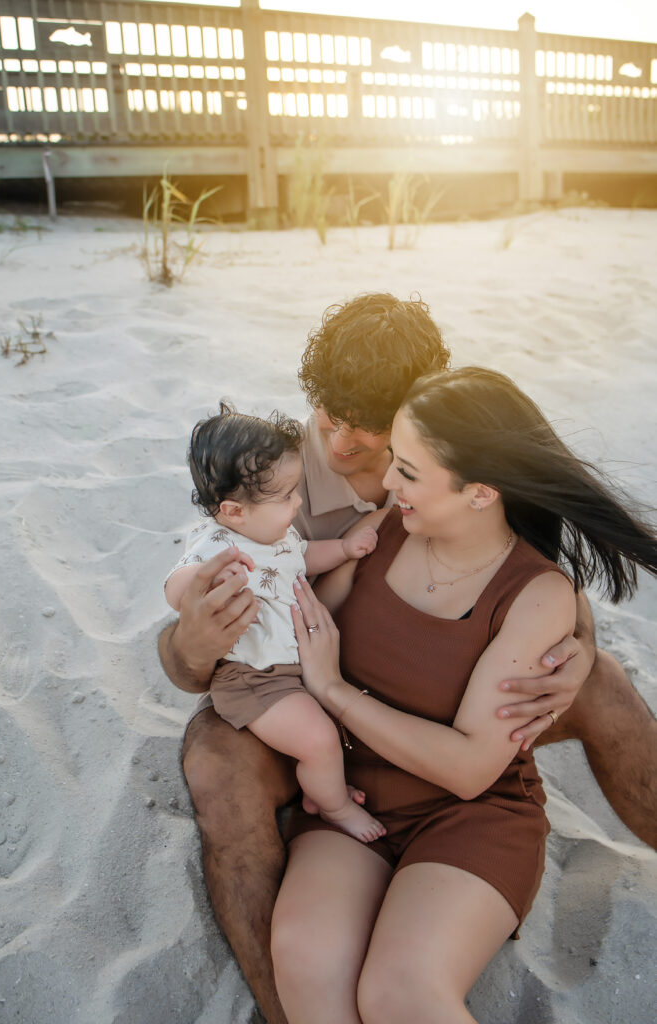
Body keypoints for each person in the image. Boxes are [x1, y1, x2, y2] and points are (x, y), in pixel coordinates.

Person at [158, 294, 657, 1024]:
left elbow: (529, 575)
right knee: (218, 764)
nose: (342, 447)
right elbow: (189, 652)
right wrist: (194, 643)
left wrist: (576, 645)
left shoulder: (448, 466)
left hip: (448, 763)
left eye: (375, 439)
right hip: (327, 744)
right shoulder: (278, 475)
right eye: (328, 417)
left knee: (603, 684)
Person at [272, 366, 657, 1023]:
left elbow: (471, 768)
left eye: (410, 472)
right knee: (308, 962)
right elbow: (300, 614)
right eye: (395, 461)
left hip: (470, 818)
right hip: (347, 801)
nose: (388, 483)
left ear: (480, 493)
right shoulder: (391, 523)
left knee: (399, 993)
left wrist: (334, 690)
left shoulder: (535, 594)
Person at [164, 405, 384, 842]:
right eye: (286, 497)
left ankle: (315, 791)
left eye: (296, 490)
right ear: (233, 511)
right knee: (319, 739)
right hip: (254, 680)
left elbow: (304, 557)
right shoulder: (218, 544)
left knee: (325, 732)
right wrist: (208, 579)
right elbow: (174, 589)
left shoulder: (278, 534)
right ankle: (336, 807)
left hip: (288, 671)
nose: (297, 502)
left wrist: (343, 548)